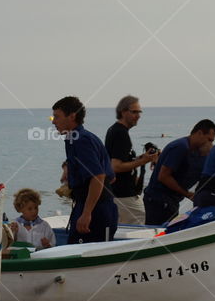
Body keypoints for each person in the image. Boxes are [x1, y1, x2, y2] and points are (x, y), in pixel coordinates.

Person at [52, 96, 117, 243]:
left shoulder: (81, 140)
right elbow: (111, 176)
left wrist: (87, 213)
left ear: (72, 116)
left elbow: (99, 176)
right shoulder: (73, 139)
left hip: (97, 210)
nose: (53, 121)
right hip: (87, 205)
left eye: (57, 116)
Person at [143, 120, 215, 225]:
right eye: (209, 140)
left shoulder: (198, 152)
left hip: (172, 201)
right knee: (160, 234)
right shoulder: (180, 147)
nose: (211, 144)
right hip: (159, 200)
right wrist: (187, 194)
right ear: (199, 133)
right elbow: (163, 176)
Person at [104, 95, 156, 225]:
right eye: (134, 112)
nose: (138, 115)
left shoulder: (115, 130)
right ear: (123, 112)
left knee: (120, 229)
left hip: (117, 193)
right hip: (124, 194)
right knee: (140, 228)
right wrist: (142, 162)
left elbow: (120, 160)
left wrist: (142, 158)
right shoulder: (120, 133)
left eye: (139, 112)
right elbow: (115, 166)